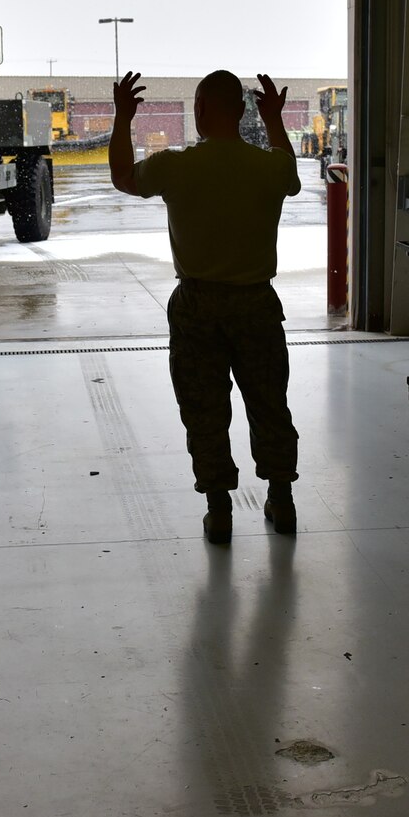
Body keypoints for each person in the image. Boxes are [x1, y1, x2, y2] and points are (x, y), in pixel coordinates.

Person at [109, 68, 303, 543]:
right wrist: (274, 119)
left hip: (197, 306)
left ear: (198, 110)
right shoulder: (269, 167)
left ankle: (219, 511)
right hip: (257, 303)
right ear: (242, 111)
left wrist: (122, 118)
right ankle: (281, 500)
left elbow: (122, 177)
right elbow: (291, 174)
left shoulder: (176, 165)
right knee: (269, 404)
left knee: (204, 409)